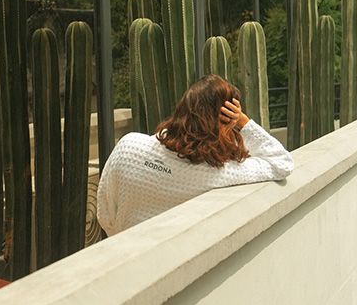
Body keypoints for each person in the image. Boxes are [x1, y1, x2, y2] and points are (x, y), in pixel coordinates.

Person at [97, 74, 293, 236]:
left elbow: (104, 213)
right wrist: (243, 122)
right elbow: (281, 162)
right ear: (224, 123)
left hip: (120, 257)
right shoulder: (217, 173)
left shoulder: (129, 146)